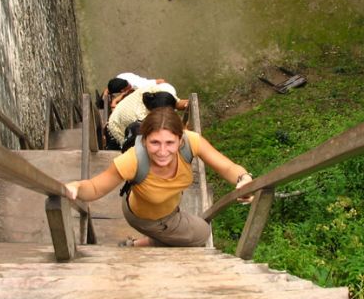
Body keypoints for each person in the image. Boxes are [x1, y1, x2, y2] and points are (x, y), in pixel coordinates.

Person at [65, 107, 253, 247]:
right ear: (144, 140)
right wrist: (76, 187)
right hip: (146, 217)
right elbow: (96, 188)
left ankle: (146, 241)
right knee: (202, 234)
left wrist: (243, 178)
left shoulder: (192, 142)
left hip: (168, 205)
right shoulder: (132, 160)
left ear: (181, 140)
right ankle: (140, 244)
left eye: (170, 143)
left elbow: (227, 167)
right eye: (155, 142)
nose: (163, 152)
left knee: (191, 230)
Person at [105, 83, 188, 149]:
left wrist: (188, 104)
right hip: (115, 127)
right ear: (156, 113)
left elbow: (177, 103)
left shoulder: (154, 91)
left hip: (121, 110)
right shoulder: (140, 117)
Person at [101, 73, 167, 110]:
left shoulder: (140, 85)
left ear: (122, 91)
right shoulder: (120, 78)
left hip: (152, 91)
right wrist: (105, 96)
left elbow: (161, 81)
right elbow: (108, 89)